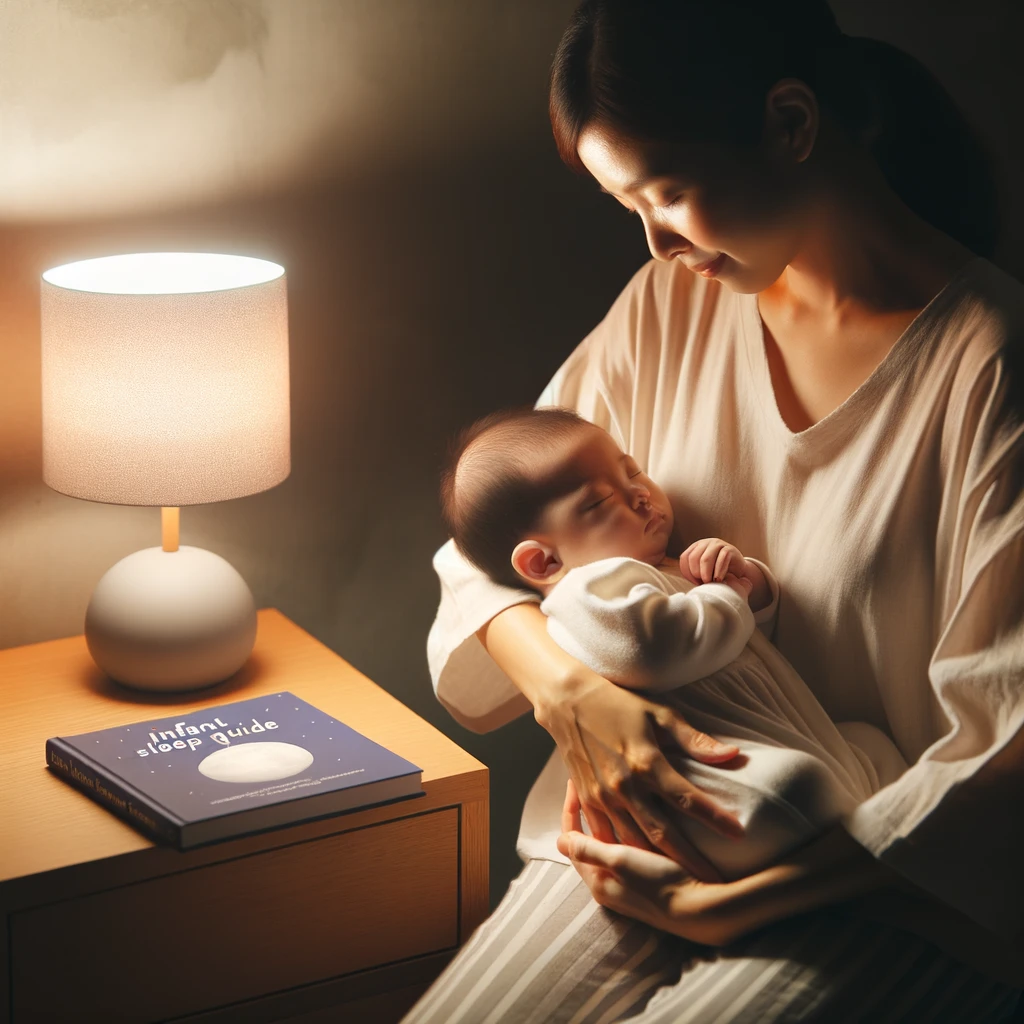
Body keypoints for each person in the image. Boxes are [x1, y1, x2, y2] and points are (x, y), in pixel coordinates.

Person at [407, 0, 1024, 1020]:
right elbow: (489, 551)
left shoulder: (988, 370)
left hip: (899, 889)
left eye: (669, 192)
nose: (654, 240)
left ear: (790, 124)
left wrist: (738, 905)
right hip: (667, 833)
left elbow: (1002, 761)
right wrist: (574, 695)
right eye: (626, 205)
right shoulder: (670, 307)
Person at [440, 405, 909, 884]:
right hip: (714, 785)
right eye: (601, 503)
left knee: (868, 742)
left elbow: (741, 645)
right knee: (796, 790)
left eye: (633, 472)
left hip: (791, 739)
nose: (642, 495)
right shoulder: (586, 593)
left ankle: (861, 822)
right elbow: (658, 650)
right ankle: (841, 852)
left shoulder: (658, 568)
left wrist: (747, 580)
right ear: (542, 563)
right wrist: (729, 593)